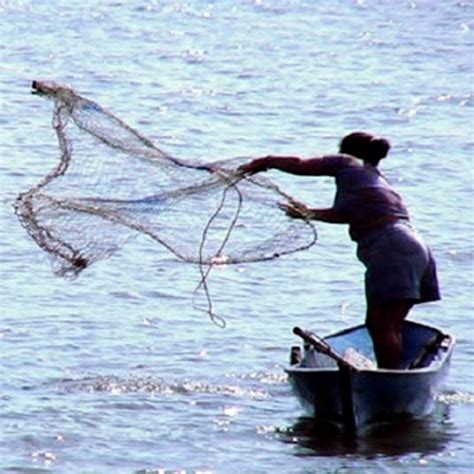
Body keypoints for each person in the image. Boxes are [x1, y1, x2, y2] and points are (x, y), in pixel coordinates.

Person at [239, 131, 440, 369]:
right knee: (391, 324)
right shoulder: (374, 179)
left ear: (345, 151)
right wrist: (309, 213)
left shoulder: (347, 162)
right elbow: (346, 215)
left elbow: (300, 165)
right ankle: (394, 377)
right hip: (416, 246)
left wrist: (267, 161)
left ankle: (388, 379)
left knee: (380, 325)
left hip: (390, 247)